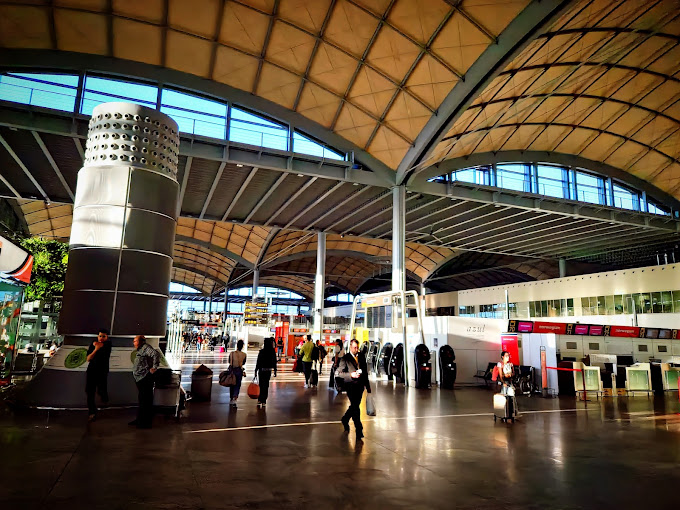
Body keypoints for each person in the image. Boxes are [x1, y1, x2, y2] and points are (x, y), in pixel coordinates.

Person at [335, 338, 371, 441]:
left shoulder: (361, 357)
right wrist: (350, 374)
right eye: (354, 347)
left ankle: (345, 419)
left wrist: (368, 386)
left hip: (360, 386)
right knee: (355, 407)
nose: (356, 349)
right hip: (350, 386)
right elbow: (339, 373)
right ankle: (359, 429)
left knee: (355, 406)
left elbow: (365, 372)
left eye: (357, 347)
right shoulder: (345, 359)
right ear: (350, 347)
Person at [130, 335, 160, 429]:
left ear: (141, 341)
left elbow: (155, 354)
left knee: (146, 400)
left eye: (135, 341)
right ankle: (139, 419)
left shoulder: (146, 348)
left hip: (145, 378)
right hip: (140, 378)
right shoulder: (140, 349)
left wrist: (154, 367)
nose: (133, 342)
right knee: (142, 400)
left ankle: (145, 422)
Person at [85, 328, 112, 422]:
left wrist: (97, 346)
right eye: (100, 336)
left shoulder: (108, 344)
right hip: (91, 371)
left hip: (102, 372)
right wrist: (95, 350)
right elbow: (88, 358)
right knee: (89, 392)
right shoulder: (93, 345)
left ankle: (104, 397)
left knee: (102, 390)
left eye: (103, 336)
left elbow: (101, 345)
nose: (101, 338)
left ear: (107, 337)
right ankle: (92, 412)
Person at [255, 337, 277, 408]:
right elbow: (274, 361)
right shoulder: (272, 352)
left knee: (261, 384)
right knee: (266, 385)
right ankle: (264, 400)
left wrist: (256, 370)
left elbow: (258, 362)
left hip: (261, 370)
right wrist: (275, 371)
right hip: (268, 371)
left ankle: (259, 399)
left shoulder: (261, 351)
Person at [228, 340, 247, 407]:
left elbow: (229, 361)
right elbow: (244, 363)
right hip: (239, 370)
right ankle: (235, 398)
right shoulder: (244, 354)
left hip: (232, 370)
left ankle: (231, 397)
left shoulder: (232, 353)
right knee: (237, 385)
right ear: (242, 346)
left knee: (232, 383)